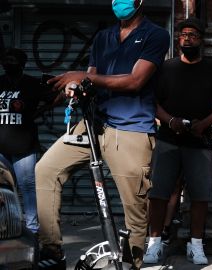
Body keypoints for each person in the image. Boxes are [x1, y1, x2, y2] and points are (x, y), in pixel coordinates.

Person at [35, 0, 170, 269]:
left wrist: (86, 77)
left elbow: (135, 81)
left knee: (134, 205)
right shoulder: (103, 37)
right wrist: (76, 85)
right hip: (94, 122)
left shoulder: (156, 34)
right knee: (45, 170)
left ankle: (132, 262)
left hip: (131, 128)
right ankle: (52, 252)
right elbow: (91, 78)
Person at [144, 17, 212, 265]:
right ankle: (155, 244)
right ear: (178, 39)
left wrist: (204, 124)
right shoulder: (166, 67)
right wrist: (170, 121)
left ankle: (196, 245)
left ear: (201, 39)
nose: (188, 39)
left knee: (200, 196)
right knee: (159, 194)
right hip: (167, 140)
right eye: (183, 35)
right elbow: (153, 104)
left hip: (199, 141)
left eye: (193, 34)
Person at [0, 47, 61, 235]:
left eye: (13, 60)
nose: (9, 63)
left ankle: (32, 228)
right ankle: (5, 226)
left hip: (24, 146)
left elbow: (57, 96)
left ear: (22, 64)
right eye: (6, 60)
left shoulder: (32, 84)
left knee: (27, 186)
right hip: (1, 148)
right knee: (3, 190)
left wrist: (38, 113)